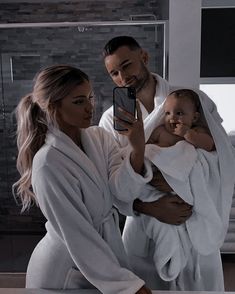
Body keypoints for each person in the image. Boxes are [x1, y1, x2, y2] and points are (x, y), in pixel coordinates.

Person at [99, 36, 235, 290]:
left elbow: (222, 155)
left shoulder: (194, 101)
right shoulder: (111, 120)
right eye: (114, 73)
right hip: (146, 226)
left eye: (126, 65)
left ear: (144, 57)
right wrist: (150, 207)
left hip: (196, 218)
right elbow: (110, 183)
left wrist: (180, 179)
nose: (122, 78)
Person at [12, 64, 153, 294]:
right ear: (52, 106)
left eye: (90, 98)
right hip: (64, 268)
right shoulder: (48, 162)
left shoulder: (99, 137)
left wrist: (137, 147)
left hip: (100, 256)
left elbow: (123, 193)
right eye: (78, 101)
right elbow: (77, 233)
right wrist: (126, 285)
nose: (90, 107)